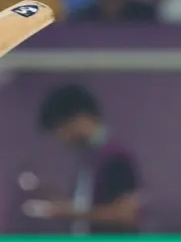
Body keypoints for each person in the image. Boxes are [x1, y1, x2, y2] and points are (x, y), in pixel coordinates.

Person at [25, 83, 143, 234]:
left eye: (61, 128)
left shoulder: (116, 156)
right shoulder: (90, 158)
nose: (61, 138)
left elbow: (126, 215)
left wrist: (70, 212)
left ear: (80, 118)